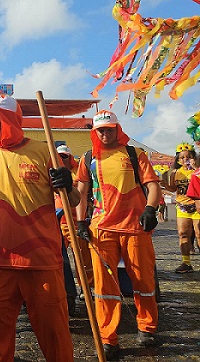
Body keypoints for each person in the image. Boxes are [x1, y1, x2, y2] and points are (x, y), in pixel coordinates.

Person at [0, 95, 79, 362]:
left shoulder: (45, 151)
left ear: (7, 118)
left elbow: (73, 199)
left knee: (54, 336)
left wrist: (66, 183)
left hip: (41, 263)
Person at [76, 110, 161, 360]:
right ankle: (108, 338)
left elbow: (152, 185)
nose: (105, 133)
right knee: (104, 288)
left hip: (136, 228)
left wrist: (150, 209)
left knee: (143, 280)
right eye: (100, 129)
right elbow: (81, 191)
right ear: (94, 132)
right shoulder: (89, 157)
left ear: (117, 129)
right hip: (101, 229)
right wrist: (81, 221)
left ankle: (147, 327)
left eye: (109, 129)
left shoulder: (135, 154)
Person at [54, 144, 94, 317]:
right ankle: (63, 292)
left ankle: (86, 287)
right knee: (59, 261)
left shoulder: (78, 173)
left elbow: (83, 195)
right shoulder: (51, 171)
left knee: (82, 258)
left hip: (75, 222)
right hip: (56, 223)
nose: (62, 159)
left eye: (65, 156)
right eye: (59, 156)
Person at [162, 143, 199, 273]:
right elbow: (173, 188)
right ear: (178, 160)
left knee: (199, 235)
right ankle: (186, 263)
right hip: (182, 206)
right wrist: (165, 184)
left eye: (188, 157)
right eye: (182, 157)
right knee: (183, 234)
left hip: (197, 206)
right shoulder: (175, 173)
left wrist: (196, 170)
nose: (186, 160)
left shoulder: (198, 170)